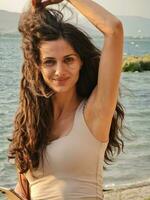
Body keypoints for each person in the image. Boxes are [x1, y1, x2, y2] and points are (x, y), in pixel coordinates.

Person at [8, 0, 125, 199]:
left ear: (81, 62)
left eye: (69, 59)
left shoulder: (94, 113)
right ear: (38, 66)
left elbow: (113, 29)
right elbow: (23, 192)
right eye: (49, 62)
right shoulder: (31, 124)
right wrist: (36, 12)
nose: (59, 71)